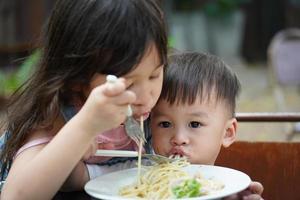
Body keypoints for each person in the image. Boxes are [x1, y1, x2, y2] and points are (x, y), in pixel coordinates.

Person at [0, 0, 167, 199]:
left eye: (154, 75)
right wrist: (84, 127)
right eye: (128, 84)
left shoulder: (164, 99)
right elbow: (15, 196)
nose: (146, 96)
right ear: (76, 79)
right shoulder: (57, 113)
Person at [150, 51, 264, 200]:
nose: (179, 138)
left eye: (195, 124)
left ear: (227, 133)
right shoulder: (141, 186)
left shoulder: (229, 190)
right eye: (165, 124)